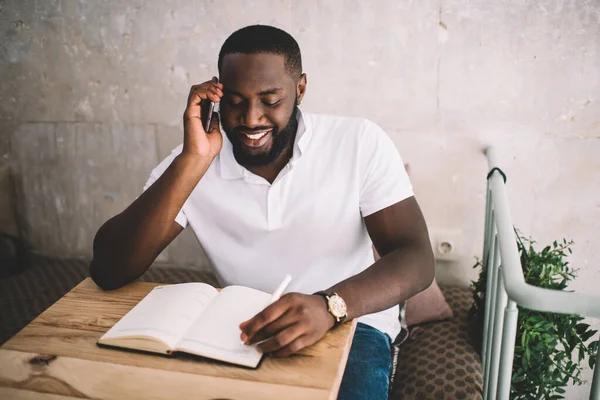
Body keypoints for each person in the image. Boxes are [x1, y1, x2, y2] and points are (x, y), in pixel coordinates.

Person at [90, 24, 435, 399]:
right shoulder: (195, 157)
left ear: (300, 89)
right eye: (235, 101)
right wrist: (194, 160)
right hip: (240, 326)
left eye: (270, 100)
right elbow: (109, 269)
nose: (251, 119)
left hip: (350, 320)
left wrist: (329, 305)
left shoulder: (358, 142)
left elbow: (415, 258)